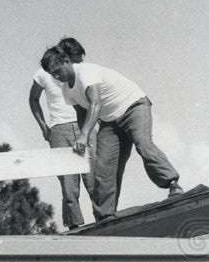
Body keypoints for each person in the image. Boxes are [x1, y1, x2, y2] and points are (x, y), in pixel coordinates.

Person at [41, 45, 183, 220]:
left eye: (58, 71)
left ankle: (172, 183)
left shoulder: (85, 72)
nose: (56, 77)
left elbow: (95, 104)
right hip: (110, 121)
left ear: (66, 61)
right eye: (52, 74)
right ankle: (105, 215)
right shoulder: (66, 89)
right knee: (103, 165)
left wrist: (85, 136)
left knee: (143, 143)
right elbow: (81, 113)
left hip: (132, 106)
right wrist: (82, 136)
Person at [29, 43, 98, 229]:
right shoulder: (43, 73)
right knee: (69, 185)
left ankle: (104, 221)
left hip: (84, 124)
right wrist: (44, 126)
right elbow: (33, 99)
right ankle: (75, 229)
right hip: (59, 128)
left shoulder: (79, 69)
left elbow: (94, 98)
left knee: (94, 179)